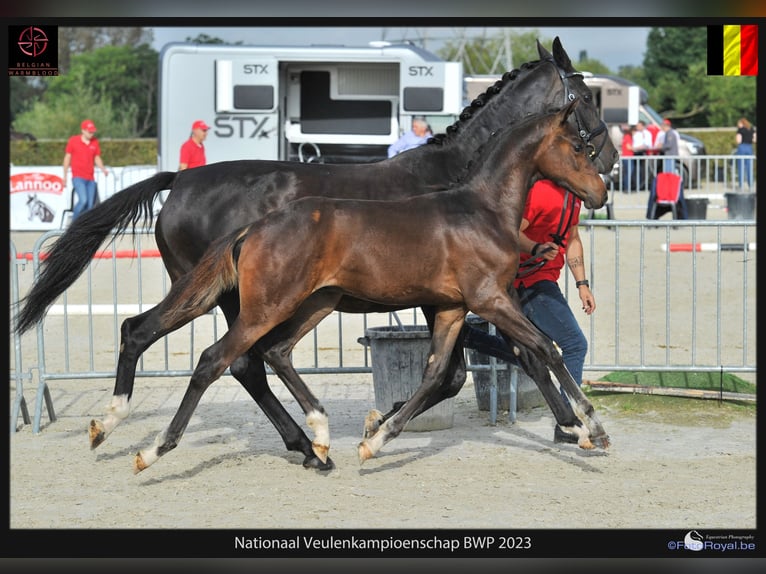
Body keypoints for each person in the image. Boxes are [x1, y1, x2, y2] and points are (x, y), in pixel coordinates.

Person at [461, 179, 595, 445]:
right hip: (530, 282)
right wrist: (535, 248)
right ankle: (567, 420)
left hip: (539, 281)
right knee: (574, 344)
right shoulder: (542, 192)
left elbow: (573, 238)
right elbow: (510, 232)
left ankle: (469, 338)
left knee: (534, 352)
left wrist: (582, 284)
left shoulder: (573, 197)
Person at [63, 119, 109, 221]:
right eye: (89, 131)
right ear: (83, 130)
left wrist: (103, 169)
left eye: (93, 131)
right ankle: (73, 225)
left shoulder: (94, 142)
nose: (92, 133)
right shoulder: (73, 140)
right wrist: (65, 176)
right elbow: (67, 158)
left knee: (90, 206)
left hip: (90, 178)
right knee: (83, 201)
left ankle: (85, 226)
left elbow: (96, 157)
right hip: (78, 177)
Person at [734, 117, 756, 189]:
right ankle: (751, 185)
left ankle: (741, 185)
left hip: (742, 147)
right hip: (749, 147)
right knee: (749, 167)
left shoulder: (740, 130)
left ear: (741, 123)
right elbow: (754, 140)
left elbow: (738, 141)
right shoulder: (752, 129)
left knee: (741, 166)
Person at [631, 121, 653, 189]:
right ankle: (635, 185)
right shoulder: (636, 133)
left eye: (639, 125)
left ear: (643, 126)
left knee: (641, 170)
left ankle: (640, 186)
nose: (637, 127)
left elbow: (647, 145)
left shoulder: (647, 133)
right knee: (635, 170)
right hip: (635, 153)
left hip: (642, 153)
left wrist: (636, 148)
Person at [619, 124, 636, 192]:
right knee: (629, 173)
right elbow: (629, 147)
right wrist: (636, 148)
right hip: (628, 157)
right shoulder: (628, 136)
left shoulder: (625, 136)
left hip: (626, 157)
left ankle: (626, 187)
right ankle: (627, 188)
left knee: (627, 173)